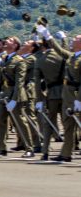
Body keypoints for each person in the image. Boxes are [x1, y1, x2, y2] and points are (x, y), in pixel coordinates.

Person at [37, 25, 81, 162]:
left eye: (76, 39)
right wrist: (48, 36)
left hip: (76, 95)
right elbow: (59, 50)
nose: (73, 40)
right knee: (68, 125)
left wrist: (79, 99)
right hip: (67, 95)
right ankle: (66, 154)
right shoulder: (72, 56)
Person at [0, 36, 34, 158]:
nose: (6, 42)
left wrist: (14, 100)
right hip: (4, 94)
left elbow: (20, 82)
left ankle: (29, 148)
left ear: (15, 45)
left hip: (15, 95)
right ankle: (1, 148)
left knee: (20, 122)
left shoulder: (19, 61)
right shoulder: (4, 59)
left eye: (10, 41)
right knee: (0, 120)